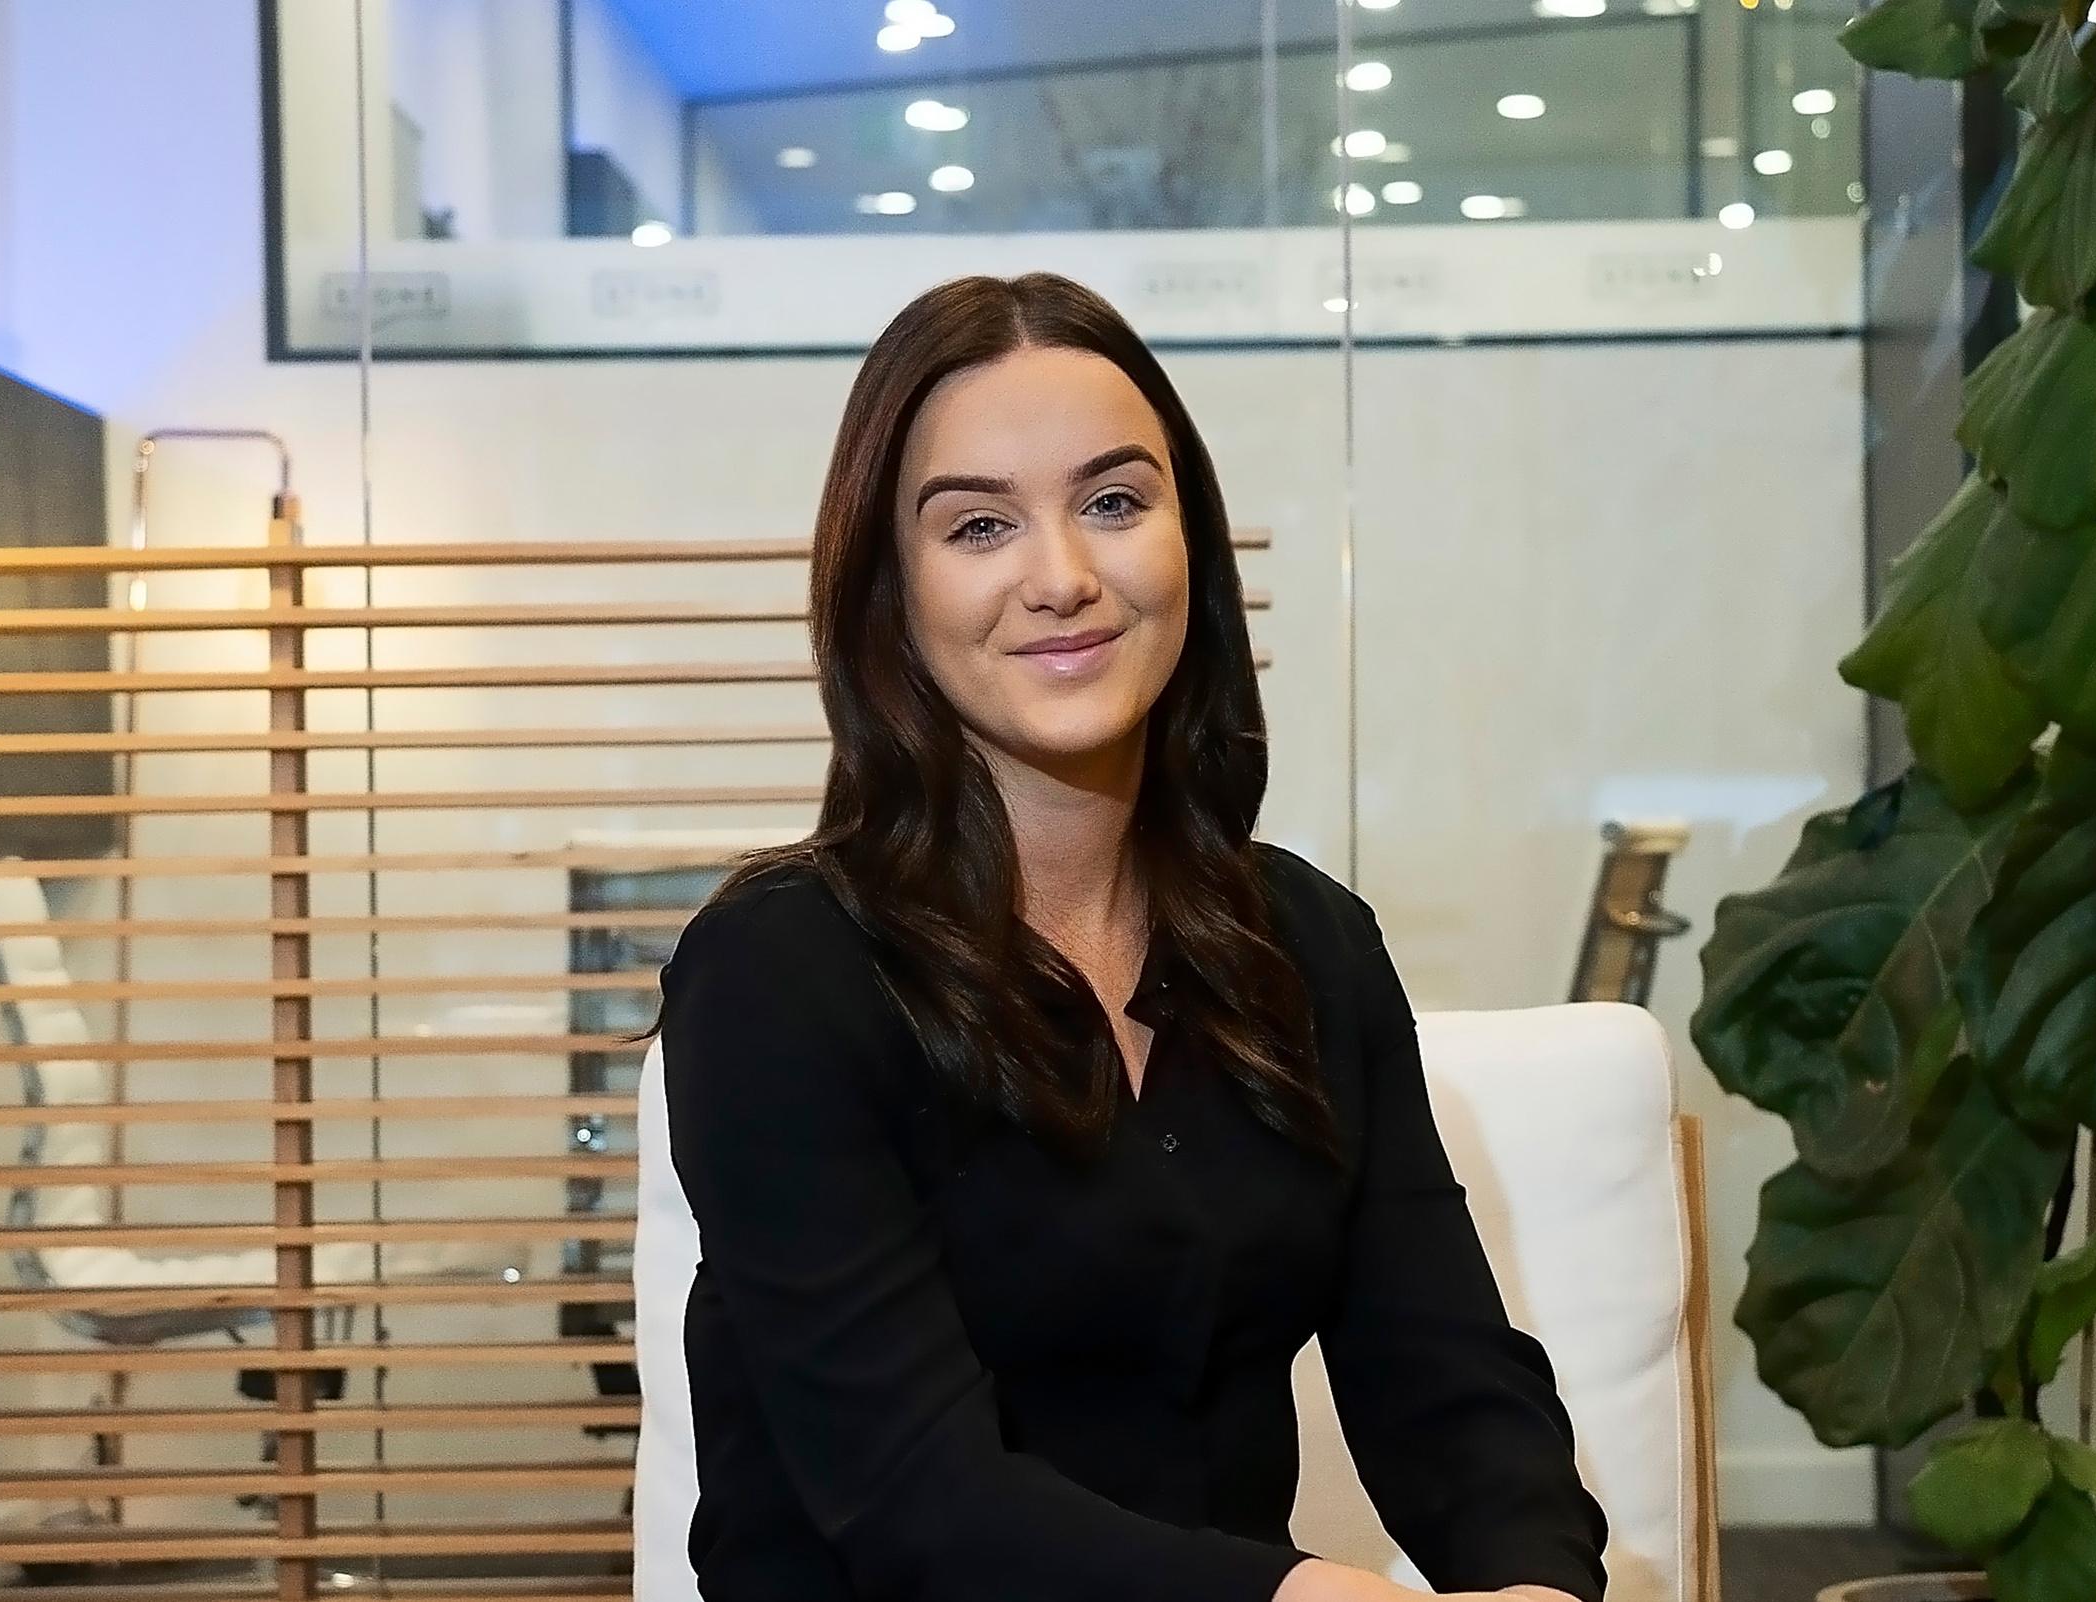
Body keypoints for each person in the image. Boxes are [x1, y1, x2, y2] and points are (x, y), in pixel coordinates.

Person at [650, 272, 1609, 1602]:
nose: (1063, 578)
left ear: (1189, 546)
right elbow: (919, 1503)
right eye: (979, 526)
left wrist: (1533, 1586)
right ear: (891, 594)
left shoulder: (1311, 946)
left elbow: (1451, 1388)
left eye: (1113, 503)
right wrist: (1305, 1597)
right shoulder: (777, 976)